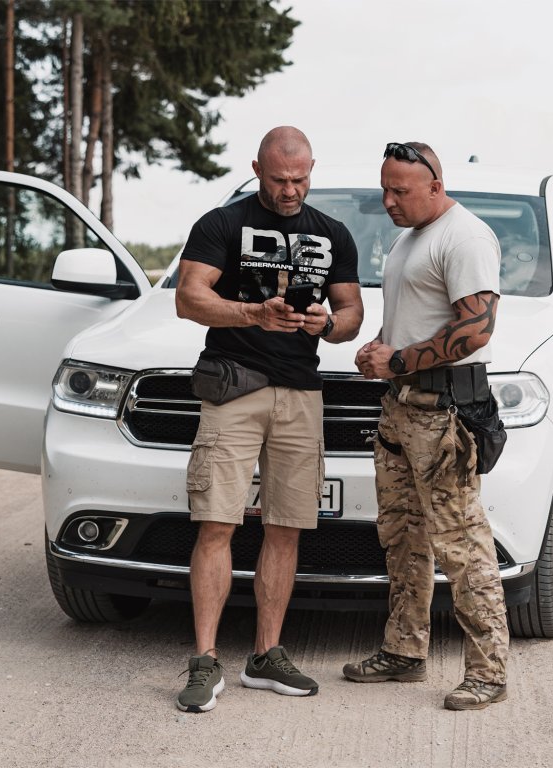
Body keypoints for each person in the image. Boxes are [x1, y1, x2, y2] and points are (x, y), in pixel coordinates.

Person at [174, 126, 364, 713]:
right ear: (256, 168)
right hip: (235, 387)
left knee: (287, 526)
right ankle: (205, 660)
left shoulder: (332, 233)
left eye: (300, 179)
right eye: (280, 179)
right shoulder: (222, 223)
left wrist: (328, 325)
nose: (290, 190)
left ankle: (266, 655)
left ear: (312, 169)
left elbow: (351, 312)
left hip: (301, 394)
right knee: (216, 522)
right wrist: (252, 313)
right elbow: (188, 297)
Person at [342, 141, 510, 711]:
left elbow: (476, 329)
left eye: (401, 191)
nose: (388, 201)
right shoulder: (410, 237)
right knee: (402, 536)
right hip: (401, 409)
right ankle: (404, 651)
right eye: (385, 189)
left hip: (443, 414)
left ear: (436, 186)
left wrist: (398, 360)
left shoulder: (465, 237)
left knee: (462, 546)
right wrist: (380, 351)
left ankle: (488, 673)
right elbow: (415, 322)